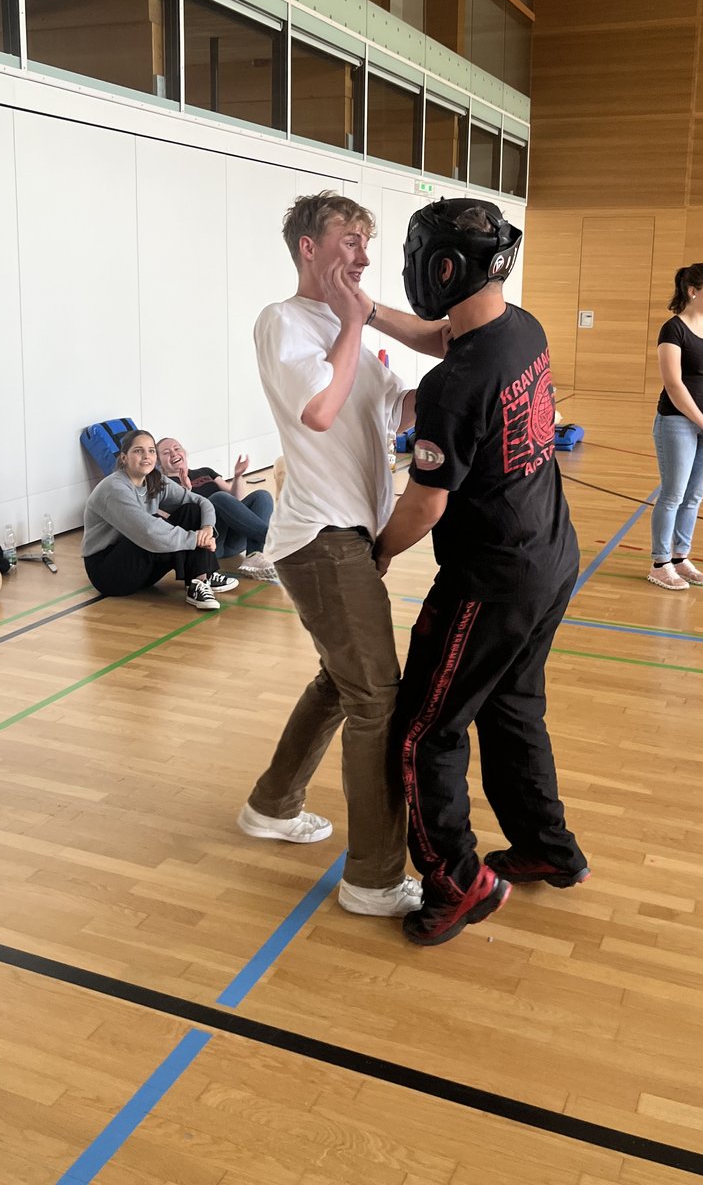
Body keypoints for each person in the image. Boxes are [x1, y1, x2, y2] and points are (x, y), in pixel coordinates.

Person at [372, 198, 589, 947]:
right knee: (511, 707)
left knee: (422, 732)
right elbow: (442, 336)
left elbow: (425, 505)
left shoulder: (450, 388)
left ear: (442, 269)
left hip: (490, 580)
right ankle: (547, 848)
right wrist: (367, 312)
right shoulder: (519, 327)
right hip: (551, 556)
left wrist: (378, 552)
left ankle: (456, 881)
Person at [238, 190, 442, 919]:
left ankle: (271, 805)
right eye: (348, 240)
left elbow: (395, 410)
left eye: (365, 242)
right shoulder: (284, 321)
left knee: (341, 681)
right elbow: (321, 408)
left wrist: (458, 379)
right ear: (309, 247)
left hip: (351, 534)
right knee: (376, 700)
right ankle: (374, 879)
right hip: (319, 537)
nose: (362, 255)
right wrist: (356, 321)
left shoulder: (342, 325)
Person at [648, 264, 703, 591]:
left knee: (695, 495)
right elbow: (673, 384)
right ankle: (660, 564)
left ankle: (680, 558)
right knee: (673, 494)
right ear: (693, 291)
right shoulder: (673, 330)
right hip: (678, 422)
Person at [81, 430, 238, 610]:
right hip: (110, 574)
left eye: (151, 451)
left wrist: (207, 528)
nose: (146, 456)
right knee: (156, 524)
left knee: (191, 510)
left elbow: (201, 502)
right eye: (138, 451)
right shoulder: (114, 488)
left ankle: (200, 580)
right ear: (124, 458)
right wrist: (196, 539)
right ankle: (203, 575)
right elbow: (148, 532)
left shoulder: (155, 480)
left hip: (141, 565)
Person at [155, 437, 279, 584]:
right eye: (166, 452)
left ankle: (254, 555)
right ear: (159, 463)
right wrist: (186, 490)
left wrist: (238, 476)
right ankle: (275, 538)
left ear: (184, 452)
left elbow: (236, 499)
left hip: (235, 539)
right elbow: (175, 519)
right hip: (210, 542)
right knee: (217, 498)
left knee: (262, 496)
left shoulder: (205, 472)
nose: (174, 453)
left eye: (177, 449)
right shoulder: (162, 486)